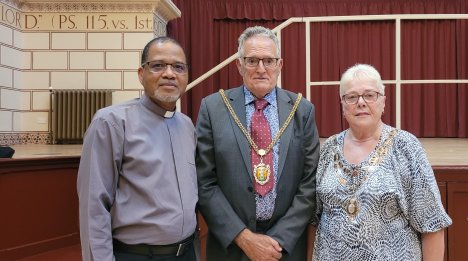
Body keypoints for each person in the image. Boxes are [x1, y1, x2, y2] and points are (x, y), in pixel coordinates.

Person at [196, 25, 320, 261]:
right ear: (239, 65)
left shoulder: (302, 110)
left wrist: (278, 241)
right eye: (252, 60)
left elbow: (310, 182)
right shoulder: (213, 108)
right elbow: (205, 181)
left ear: (279, 65)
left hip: (285, 250)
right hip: (230, 248)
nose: (261, 69)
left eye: (268, 61)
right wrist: (244, 238)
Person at [311, 64, 452, 261]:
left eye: (370, 95)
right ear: (342, 105)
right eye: (351, 97)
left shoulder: (406, 147)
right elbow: (314, 220)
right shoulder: (328, 149)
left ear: (383, 102)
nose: (361, 102)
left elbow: (432, 224)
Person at [77, 37, 200, 261]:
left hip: (186, 253)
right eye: (158, 65)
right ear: (141, 74)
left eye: (178, 67)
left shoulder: (187, 126)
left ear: (186, 76)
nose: (170, 74)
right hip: (137, 255)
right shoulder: (111, 123)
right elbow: (93, 206)